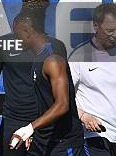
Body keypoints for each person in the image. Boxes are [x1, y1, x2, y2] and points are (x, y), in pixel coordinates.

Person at [0, 0, 66, 156]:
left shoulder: (56, 46)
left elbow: (60, 95)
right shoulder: (2, 44)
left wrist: (33, 127)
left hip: (45, 122)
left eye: (40, 11)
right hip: (13, 120)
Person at [11, 10, 86, 155]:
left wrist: (30, 128)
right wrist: (35, 131)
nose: (15, 39)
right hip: (43, 140)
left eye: (16, 34)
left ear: (27, 30)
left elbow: (62, 105)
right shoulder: (37, 58)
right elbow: (44, 102)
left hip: (64, 143)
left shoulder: (52, 60)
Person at [69, 3, 116, 156]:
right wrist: (83, 116)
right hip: (94, 134)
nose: (114, 35)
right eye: (109, 30)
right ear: (96, 26)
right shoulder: (79, 56)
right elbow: (65, 96)